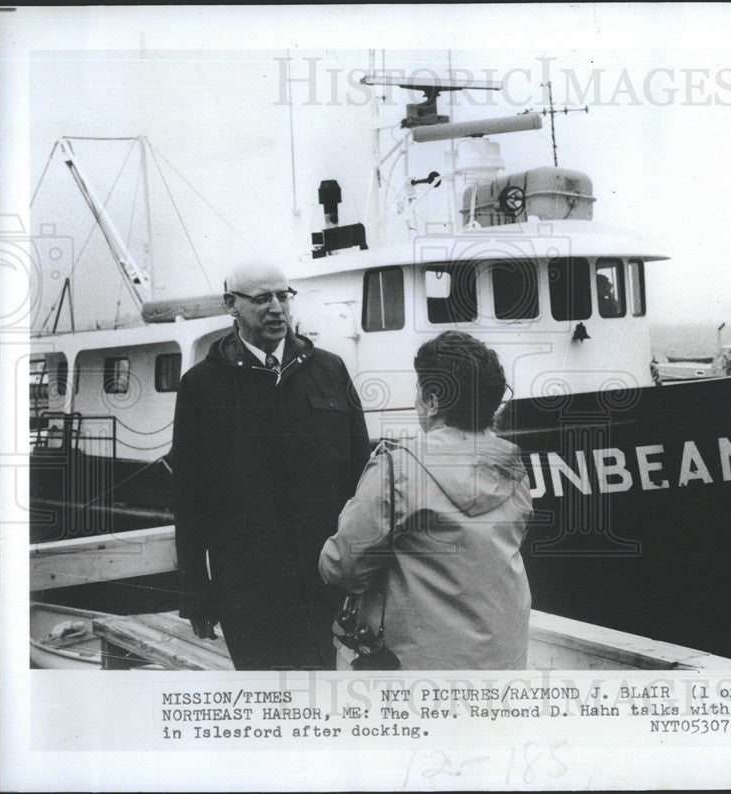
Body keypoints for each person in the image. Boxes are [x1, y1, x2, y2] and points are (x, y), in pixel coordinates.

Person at [172, 262, 370, 670]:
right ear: (232, 304)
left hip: (327, 583)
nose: (277, 308)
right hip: (250, 593)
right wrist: (196, 593)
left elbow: (360, 477)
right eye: (262, 299)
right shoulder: (202, 387)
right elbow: (189, 499)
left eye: (283, 296)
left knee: (331, 703)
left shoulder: (329, 371)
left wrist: (367, 572)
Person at [319, 331, 532, 670]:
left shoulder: (396, 469)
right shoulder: (511, 468)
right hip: (503, 664)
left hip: (419, 673)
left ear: (433, 400)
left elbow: (342, 568)